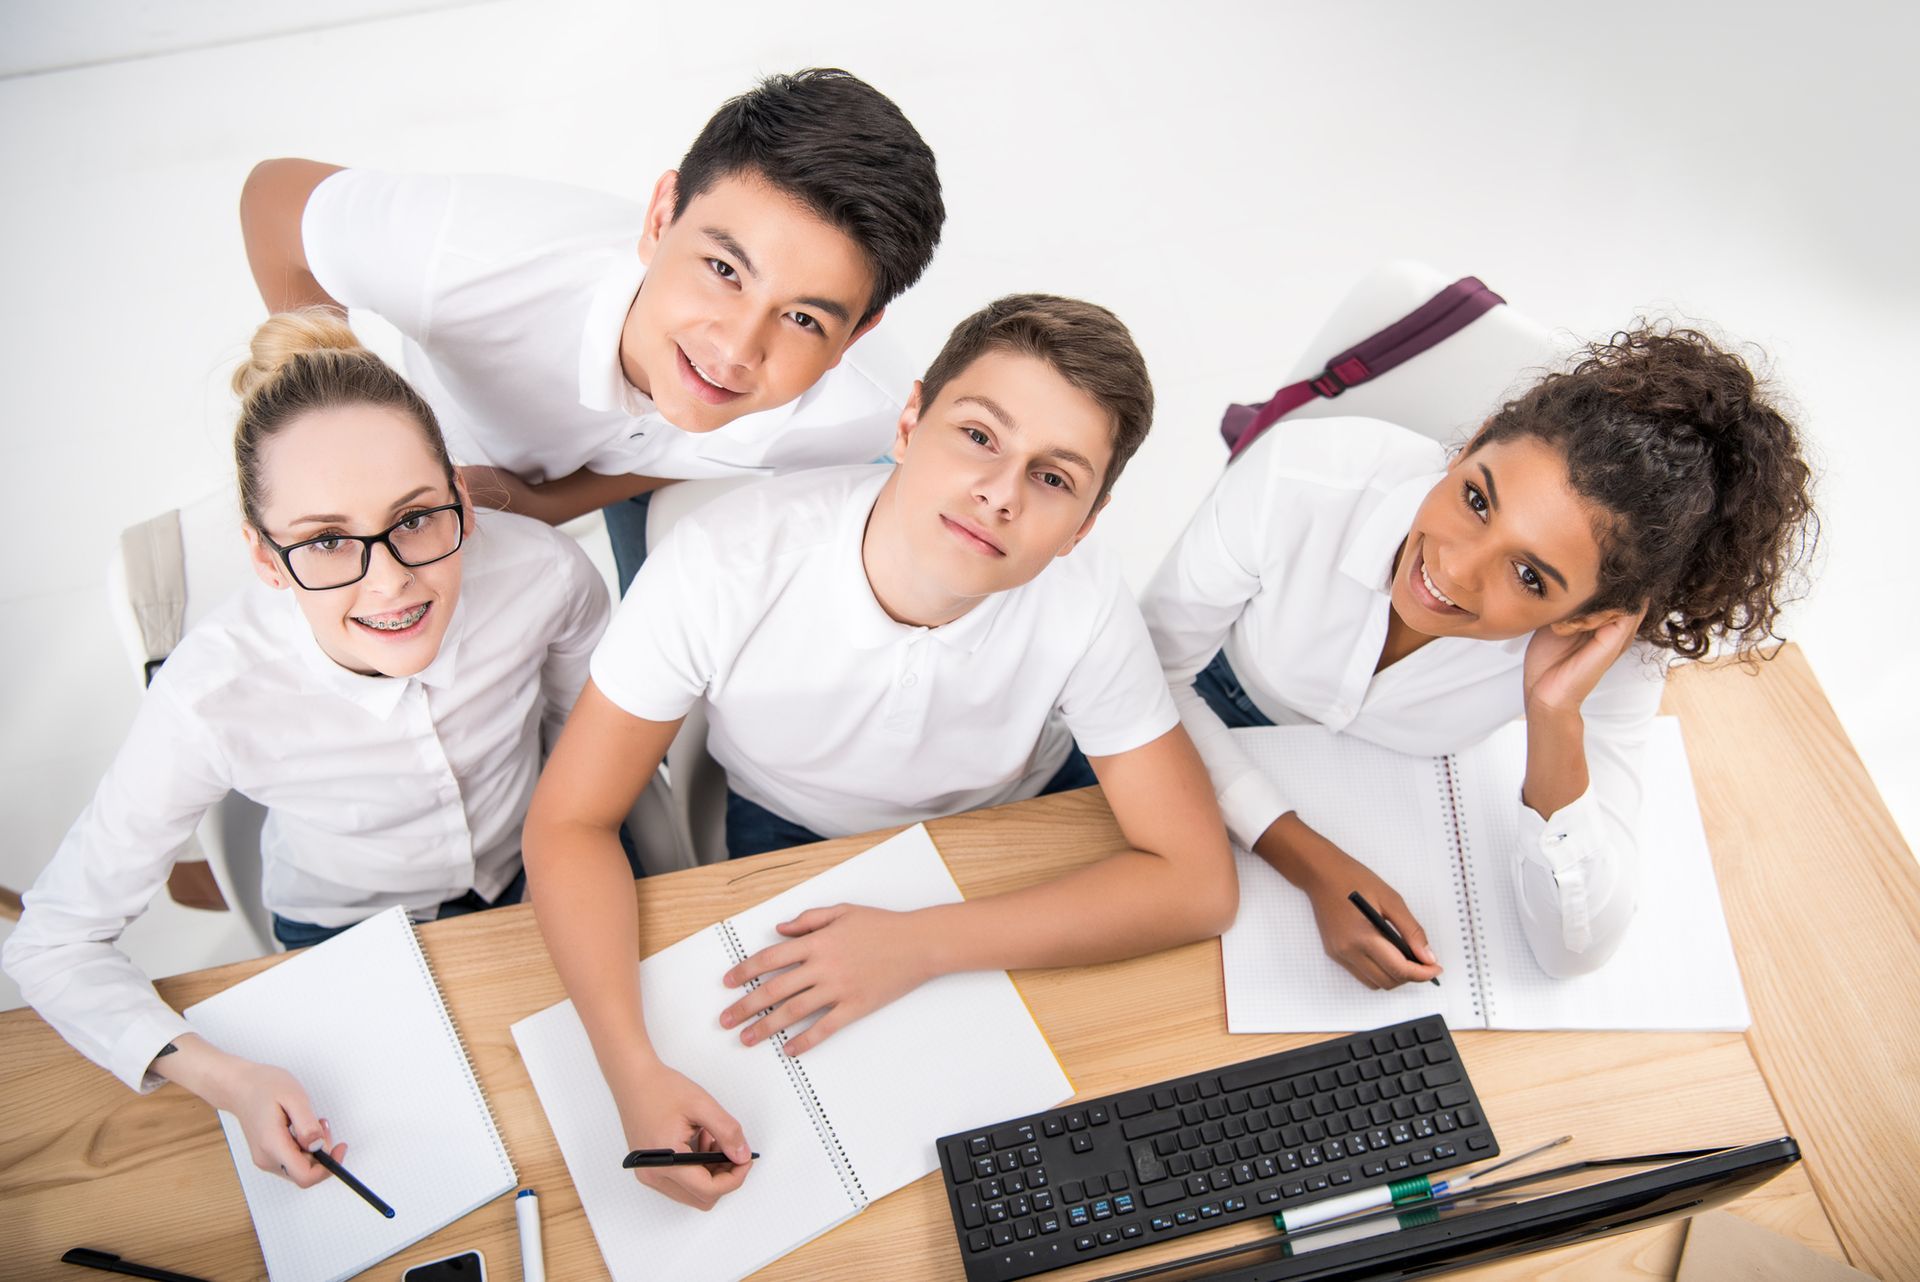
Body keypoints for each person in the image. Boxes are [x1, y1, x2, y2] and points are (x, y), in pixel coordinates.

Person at [523, 294, 1238, 1210]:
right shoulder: (721, 563)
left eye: (1055, 479)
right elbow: (572, 820)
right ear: (909, 421)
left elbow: (1196, 882)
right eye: (979, 436)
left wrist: (923, 944)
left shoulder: (1083, 598)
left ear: (1085, 527)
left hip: (1006, 823)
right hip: (801, 831)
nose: (1002, 494)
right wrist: (630, 1072)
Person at [2, 310, 609, 1189]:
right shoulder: (211, 694)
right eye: (327, 541)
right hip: (341, 938)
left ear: (463, 499)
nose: (390, 579)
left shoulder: (546, 576)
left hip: (532, 880)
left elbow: (586, 750)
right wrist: (227, 1079)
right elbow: (52, 942)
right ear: (263, 556)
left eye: (417, 518)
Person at [1142, 324, 1817, 985]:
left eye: (1530, 577)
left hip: (1367, 788)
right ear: (1472, 443)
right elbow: (1147, 677)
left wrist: (1554, 716)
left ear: (1593, 616)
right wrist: (1311, 863)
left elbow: (1573, 952)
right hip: (1194, 705)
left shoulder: (1608, 655)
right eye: (1476, 499)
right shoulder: (1302, 478)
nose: (1455, 571)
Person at [238, 67, 945, 593]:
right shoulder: (466, 257)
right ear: (662, 215)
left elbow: (669, 452)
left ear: (855, 336)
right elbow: (273, 201)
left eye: (801, 318)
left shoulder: (861, 416)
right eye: (724, 269)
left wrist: (548, 502)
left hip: (597, 482)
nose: (734, 348)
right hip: (436, 462)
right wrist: (340, 416)